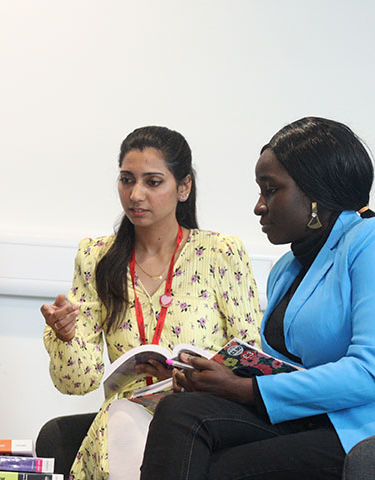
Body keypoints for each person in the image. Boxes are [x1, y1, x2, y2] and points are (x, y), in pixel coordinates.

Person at [139, 117, 375, 480]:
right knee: (180, 411)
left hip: (354, 430)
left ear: (317, 195)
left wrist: (246, 389)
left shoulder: (367, 243)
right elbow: (276, 366)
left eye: (271, 189)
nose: (259, 206)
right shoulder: (286, 268)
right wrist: (216, 376)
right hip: (301, 418)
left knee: (216, 469)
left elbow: (368, 373)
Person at [40, 126, 262, 480]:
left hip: (202, 415)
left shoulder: (220, 252)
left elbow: (248, 357)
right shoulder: (97, 256)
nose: (136, 194)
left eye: (153, 182)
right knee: (123, 423)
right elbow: (78, 383)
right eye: (127, 180)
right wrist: (66, 337)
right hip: (129, 418)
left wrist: (197, 376)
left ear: (184, 187)